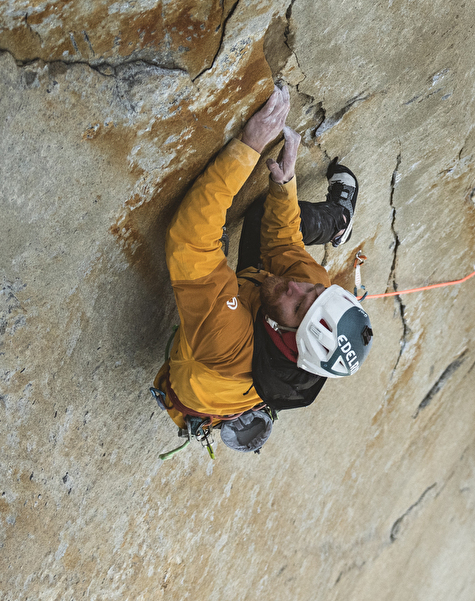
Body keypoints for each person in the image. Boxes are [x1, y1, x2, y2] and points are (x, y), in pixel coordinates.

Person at [151, 85, 372, 453]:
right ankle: (339, 221)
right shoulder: (313, 295)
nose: (297, 289)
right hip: (251, 327)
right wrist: (284, 185)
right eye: (315, 292)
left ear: (285, 340)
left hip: (210, 370)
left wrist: (247, 149)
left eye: (299, 307)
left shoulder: (227, 344)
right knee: (264, 215)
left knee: (211, 246)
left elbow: (191, 242)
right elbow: (284, 245)